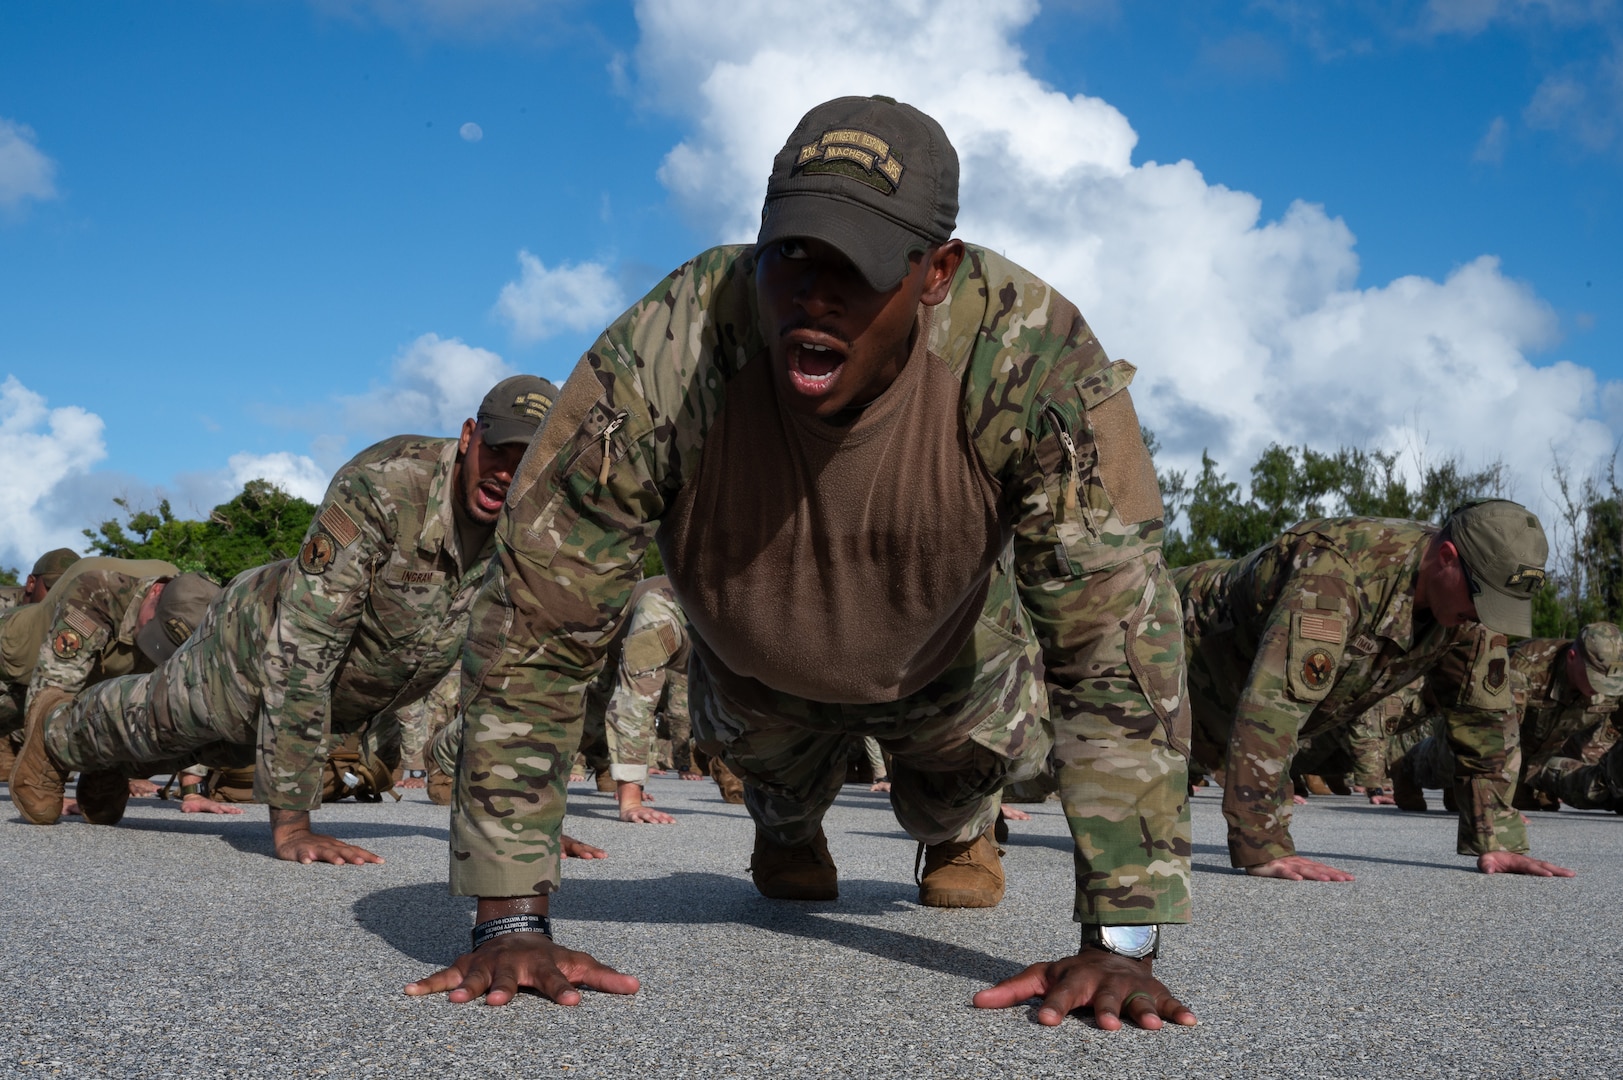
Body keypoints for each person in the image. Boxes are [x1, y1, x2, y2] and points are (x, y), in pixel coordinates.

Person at [408, 95, 1195, 1032]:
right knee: (779, 811)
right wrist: (509, 922)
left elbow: (1114, 644)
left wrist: (1121, 944)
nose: (812, 298)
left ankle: (955, 829)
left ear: (934, 272)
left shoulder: (1030, 359)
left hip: (943, 672)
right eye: (789, 257)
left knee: (955, 794)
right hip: (752, 677)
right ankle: (786, 825)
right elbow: (536, 623)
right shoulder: (670, 349)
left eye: (854, 272)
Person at [10, 376, 557, 861]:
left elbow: (517, 674)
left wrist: (519, 831)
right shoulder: (385, 487)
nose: (509, 472)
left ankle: (106, 760)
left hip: (347, 691)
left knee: (213, 749)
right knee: (169, 717)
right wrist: (292, 824)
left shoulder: (541, 521)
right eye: (499, 450)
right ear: (468, 436)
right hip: (255, 638)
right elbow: (306, 645)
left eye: (528, 459)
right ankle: (57, 732)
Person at [1175, 501, 1573, 881]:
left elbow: (1483, 719)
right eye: (1485, 598)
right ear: (1448, 557)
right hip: (1170, 652)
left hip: (1229, 702)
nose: (1487, 617)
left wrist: (1498, 839)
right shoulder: (1335, 574)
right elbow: (1273, 706)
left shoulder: (1468, 606)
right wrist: (1263, 845)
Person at [6, 561, 218, 820]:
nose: (155, 647)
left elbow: (184, 703)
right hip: (16, 669)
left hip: (91, 681)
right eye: (155, 629)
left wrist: (191, 789)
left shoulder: (197, 613)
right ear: (156, 591)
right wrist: (48, 772)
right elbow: (53, 686)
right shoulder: (97, 589)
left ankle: (105, 772)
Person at [1393, 623, 1623, 813]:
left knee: (1593, 790)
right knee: (1448, 766)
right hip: (1480, 737)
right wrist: (1496, 809)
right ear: (1572, 657)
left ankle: (1520, 786)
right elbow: (1496, 737)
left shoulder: (1613, 680)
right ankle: (1406, 766)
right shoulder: (1523, 670)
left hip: (1537, 759)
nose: (1601, 689)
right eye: (1594, 676)